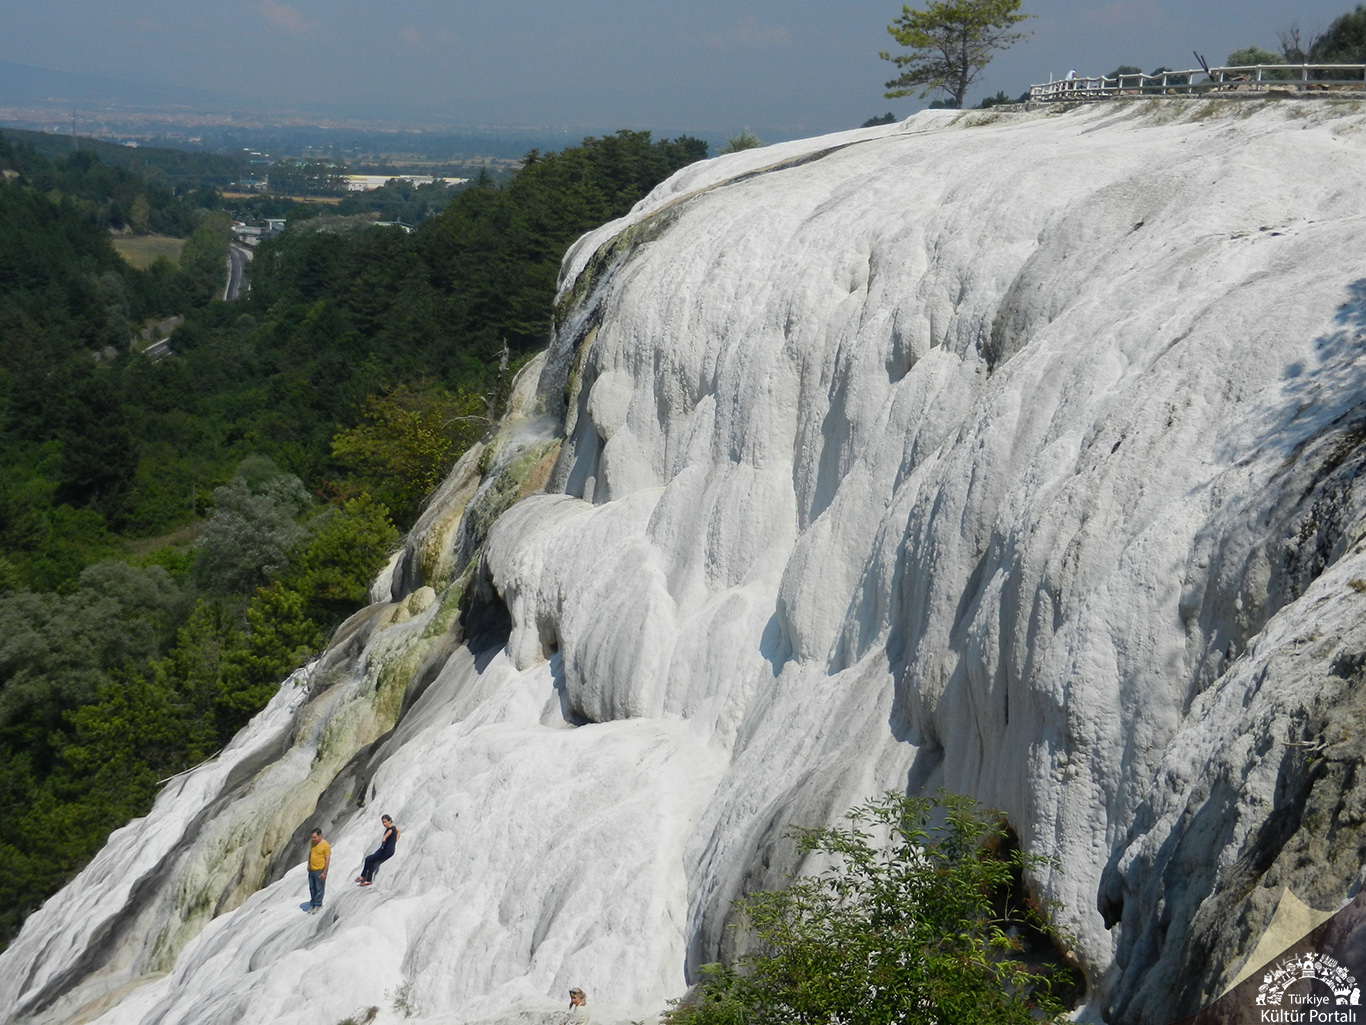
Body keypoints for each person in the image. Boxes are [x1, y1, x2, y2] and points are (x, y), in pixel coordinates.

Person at [356, 814, 399, 886]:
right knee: (371, 860)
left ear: (389, 821)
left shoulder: (390, 830)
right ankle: (368, 879)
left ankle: (363, 876)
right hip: (386, 850)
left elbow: (385, 837)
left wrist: (383, 841)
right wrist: (396, 838)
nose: (384, 824)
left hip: (387, 852)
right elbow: (399, 830)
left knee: (368, 859)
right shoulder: (393, 828)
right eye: (383, 822)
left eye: (385, 822)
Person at [305, 827, 330, 913]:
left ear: (320, 836)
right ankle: (312, 903)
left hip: (320, 870)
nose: (313, 839)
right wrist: (309, 864)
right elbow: (311, 853)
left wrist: (324, 872)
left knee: (319, 888)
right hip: (312, 869)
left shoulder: (325, 845)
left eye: (315, 837)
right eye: (312, 837)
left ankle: (318, 905)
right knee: (312, 888)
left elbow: (327, 859)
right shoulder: (313, 843)